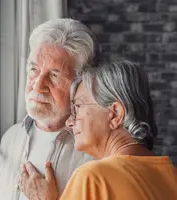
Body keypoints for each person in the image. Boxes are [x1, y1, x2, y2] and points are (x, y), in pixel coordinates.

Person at [20, 59, 177, 200]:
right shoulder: (171, 175)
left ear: (115, 114)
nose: (69, 121)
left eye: (77, 108)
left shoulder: (93, 178)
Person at [0, 18, 100, 200]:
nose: (37, 86)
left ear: (81, 84)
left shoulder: (97, 155)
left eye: (54, 75)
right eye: (33, 69)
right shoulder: (10, 139)